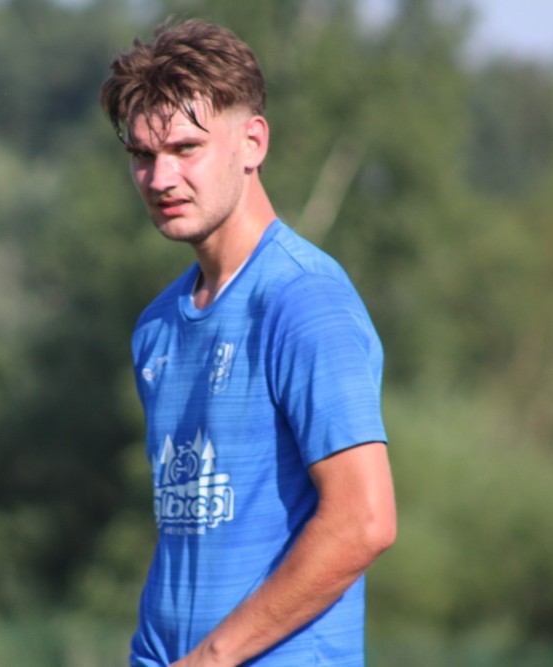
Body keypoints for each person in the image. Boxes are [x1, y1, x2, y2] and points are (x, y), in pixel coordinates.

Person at [100, 18, 397, 667]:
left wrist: (213, 656)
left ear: (252, 142)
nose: (160, 177)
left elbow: (364, 521)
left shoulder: (304, 299)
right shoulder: (157, 327)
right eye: (143, 156)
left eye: (185, 148)